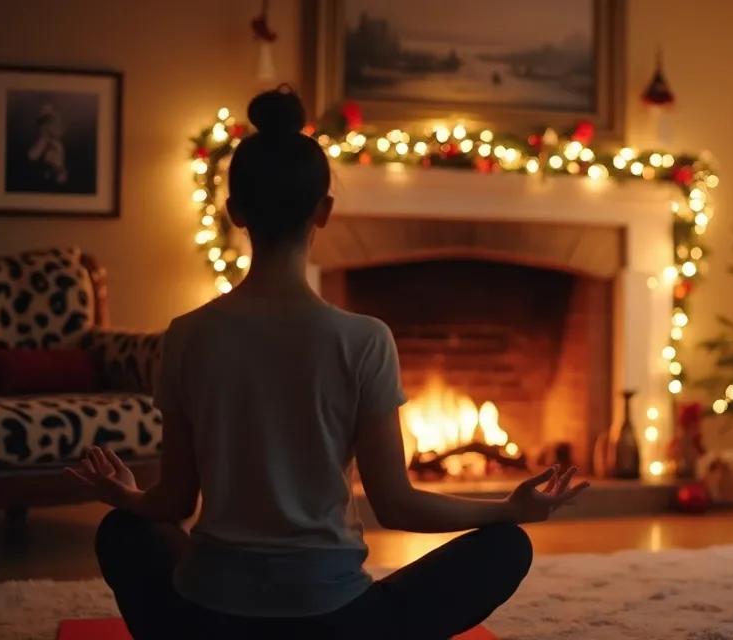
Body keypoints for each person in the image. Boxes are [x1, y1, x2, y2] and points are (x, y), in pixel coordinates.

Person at [66, 85, 588, 639]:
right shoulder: (364, 339)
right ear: (325, 212)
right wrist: (510, 508)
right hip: (337, 622)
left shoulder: (186, 336)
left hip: (209, 617)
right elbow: (397, 506)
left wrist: (125, 495)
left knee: (124, 531)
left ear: (234, 212)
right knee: (506, 547)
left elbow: (173, 500)